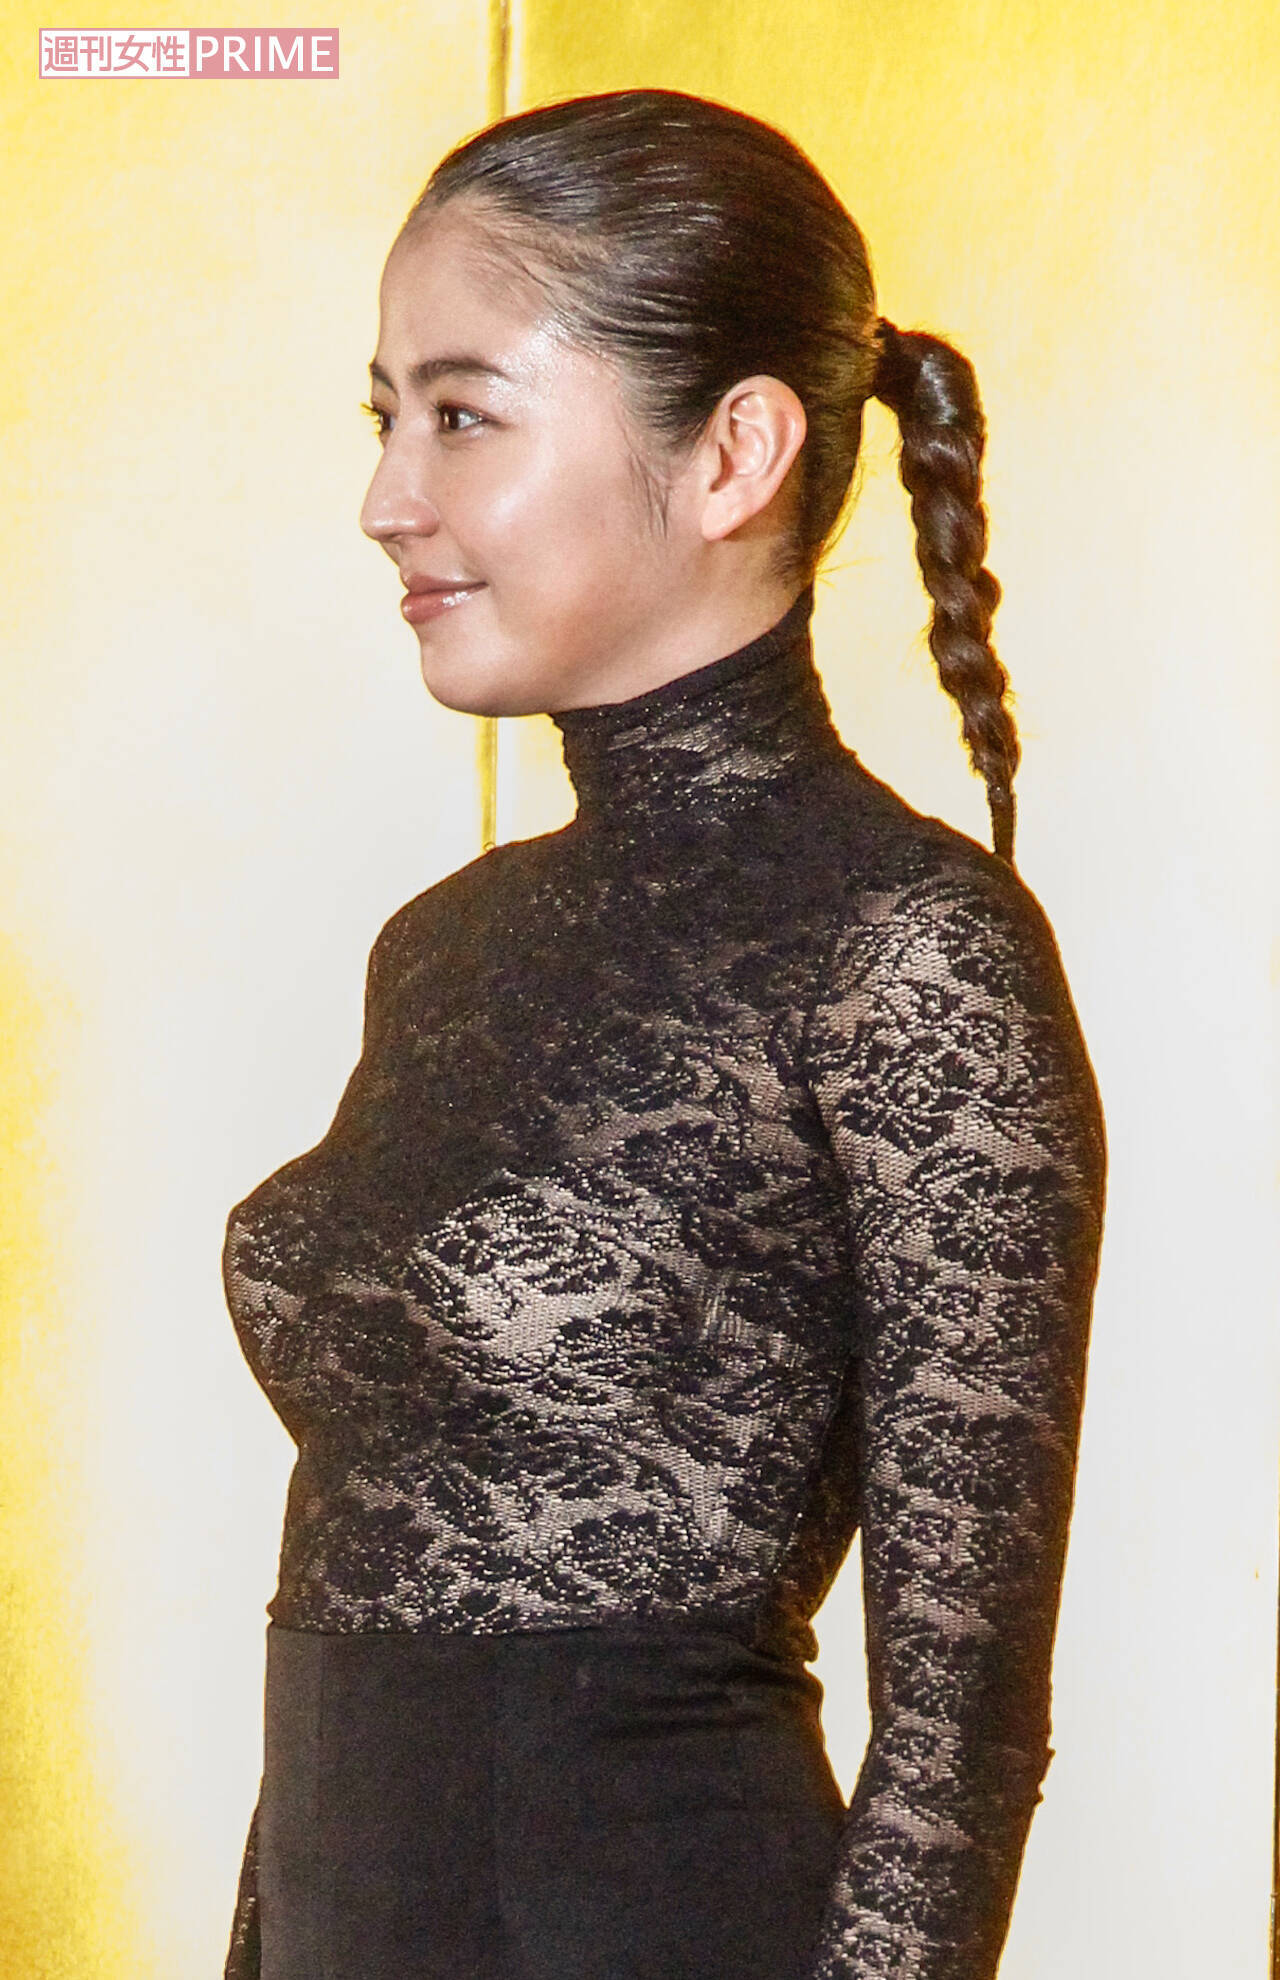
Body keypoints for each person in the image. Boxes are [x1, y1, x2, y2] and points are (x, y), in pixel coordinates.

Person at [222, 87, 1106, 1980]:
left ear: (733, 455)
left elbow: (960, 1748)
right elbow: (355, 1575)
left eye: (463, 414)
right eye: (385, 418)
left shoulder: (909, 946)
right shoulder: (441, 947)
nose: (389, 497)